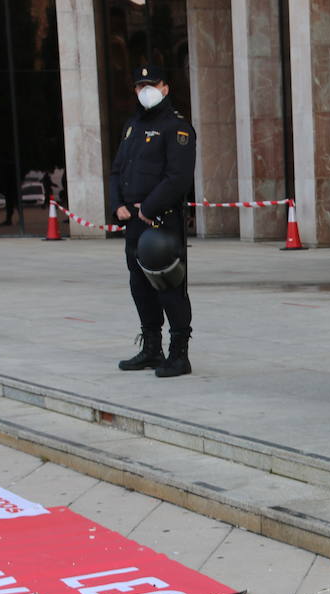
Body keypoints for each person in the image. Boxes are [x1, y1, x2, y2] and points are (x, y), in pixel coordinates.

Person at [109, 65, 196, 378]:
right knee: (139, 286)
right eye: (140, 85)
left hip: (162, 223)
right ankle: (151, 348)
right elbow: (118, 169)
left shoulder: (177, 128)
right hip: (133, 223)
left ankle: (179, 354)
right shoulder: (132, 125)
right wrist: (117, 204)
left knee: (169, 287)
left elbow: (178, 177)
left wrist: (147, 207)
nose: (146, 90)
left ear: (165, 87)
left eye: (153, 84)